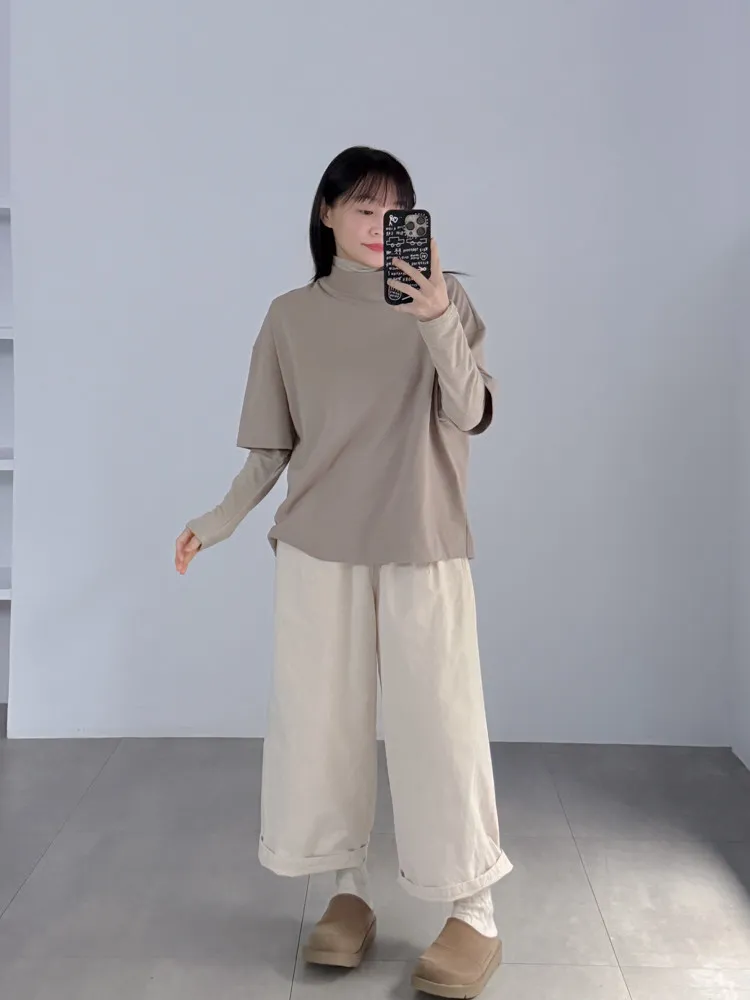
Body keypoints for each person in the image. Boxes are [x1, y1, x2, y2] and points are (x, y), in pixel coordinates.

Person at [175, 146, 513, 998]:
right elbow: (271, 450)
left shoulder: (443, 300)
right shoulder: (290, 317)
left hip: (421, 538)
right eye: (363, 207)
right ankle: (345, 893)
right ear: (325, 212)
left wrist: (435, 315)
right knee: (322, 727)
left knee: (441, 726)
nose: (378, 225)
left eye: (395, 210)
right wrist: (215, 523)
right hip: (318, 548)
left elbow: (470, 409)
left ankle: (474, 910)